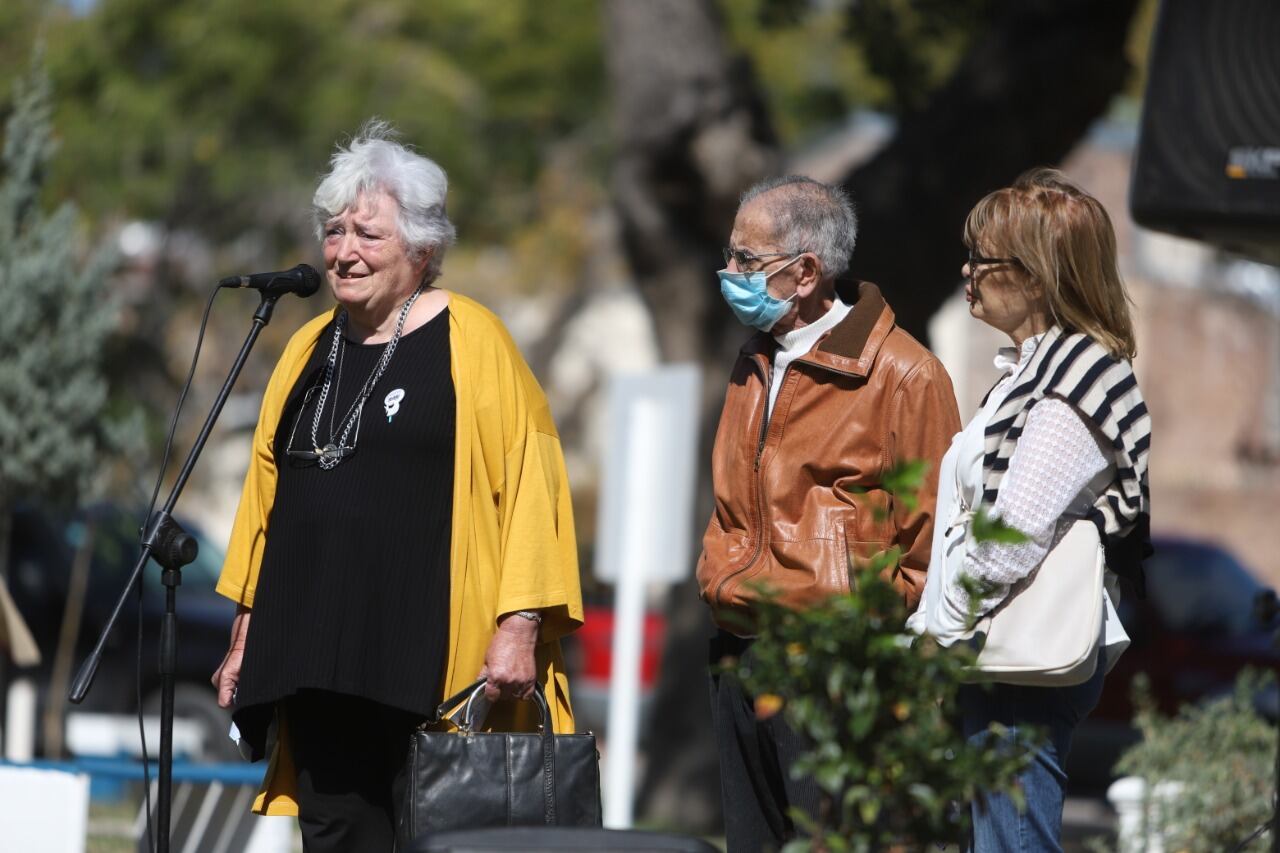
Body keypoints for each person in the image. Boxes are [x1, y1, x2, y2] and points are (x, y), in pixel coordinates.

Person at [210, 120, 584, 852]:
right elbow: (266, 498)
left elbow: (535, 486)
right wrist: (247, 628)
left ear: (422, 248)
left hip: (431, 657)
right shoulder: (306, 348)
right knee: (337, 834)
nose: (344, 252)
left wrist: (520, 624)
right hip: (315, 652)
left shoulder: (474, 341)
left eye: (367, 235)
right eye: (335, 231)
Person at [697, 175, 961, 852]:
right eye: (731, 256)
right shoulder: (753, 361)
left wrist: (854, 629)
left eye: (746, 261)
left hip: (831, 669)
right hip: (738, 651)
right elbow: (733, 507)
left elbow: (930, 547)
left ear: (806, 271)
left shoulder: (905, 373)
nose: (729, 274)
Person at [907, 168, 1151, 852]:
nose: (967, 270)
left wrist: (941, 629)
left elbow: (1009, 537)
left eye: (982, 259)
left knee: (1012, 841)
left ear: (1037, 278)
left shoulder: (1073, 383)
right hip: (1001, 652)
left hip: (1016, 658)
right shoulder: (1034, 371)